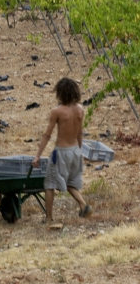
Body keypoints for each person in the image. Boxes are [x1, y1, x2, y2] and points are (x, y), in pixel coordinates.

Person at [32, 77, 92, 224]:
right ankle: (83, 205)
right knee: (71, 182)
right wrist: (79, 152)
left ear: (60, 93)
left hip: (61, 153)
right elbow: (80, 133)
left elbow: (47, 135)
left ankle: (49, 218)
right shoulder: (80, 110)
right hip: (76, 150)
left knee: (50, 184)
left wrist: (38, 156)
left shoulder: (57, 111)